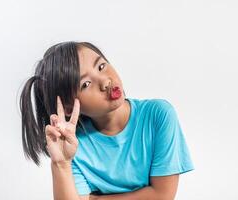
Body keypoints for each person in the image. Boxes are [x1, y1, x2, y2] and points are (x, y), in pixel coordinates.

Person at [19, 41, 195, 200]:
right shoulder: (73, 146)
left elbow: (162, 195)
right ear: (68, 108)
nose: (104, 81)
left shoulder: (158, 115)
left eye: (101, 66)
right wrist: (62, 163)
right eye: (86, 84)